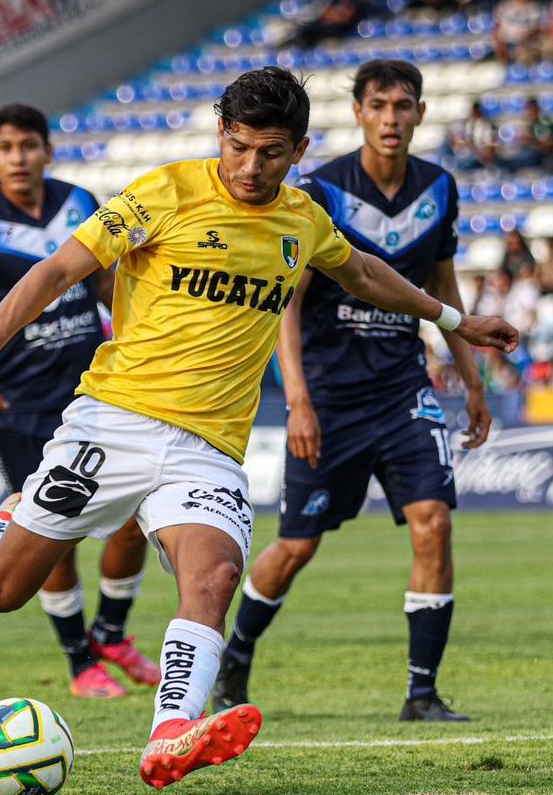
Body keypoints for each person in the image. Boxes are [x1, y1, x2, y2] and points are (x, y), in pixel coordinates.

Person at [0, 67, 517, 788]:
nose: (250, 167)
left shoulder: (301, 220)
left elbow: (365, 274)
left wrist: (457, 322)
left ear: (299, 149)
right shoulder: (165, 192)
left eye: (270, 152)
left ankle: (171, 731)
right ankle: (12, 513)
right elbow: (57, 271)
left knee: (212, 577)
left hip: (207, 449)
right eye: (238, 147)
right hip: (115, 423)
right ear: (222, 135)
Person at [209, 59, 489, 723]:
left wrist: (471, 379)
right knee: (296, 548)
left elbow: (441, 290)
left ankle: (422, 693)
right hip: (329, 398)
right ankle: (237, 654)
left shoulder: (440, 188)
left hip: (402, 390)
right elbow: (287, 303)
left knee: (434, 524)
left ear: (421, 113)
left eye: (403, 106)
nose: (391, 118)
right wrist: (298, 400)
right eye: (378, 106)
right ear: (358, 113)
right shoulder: (320, 192)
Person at [0, 104, 160, 700]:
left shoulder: (79, 203)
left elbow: (107, 283)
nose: (19, 158)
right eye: (6, 148)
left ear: (47, 150)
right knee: (51, 532)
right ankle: (81, 662)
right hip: (20, 404)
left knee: (136, 518)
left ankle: (110, 633)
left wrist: (139, 335)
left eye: (29, 145)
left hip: (97, 391)